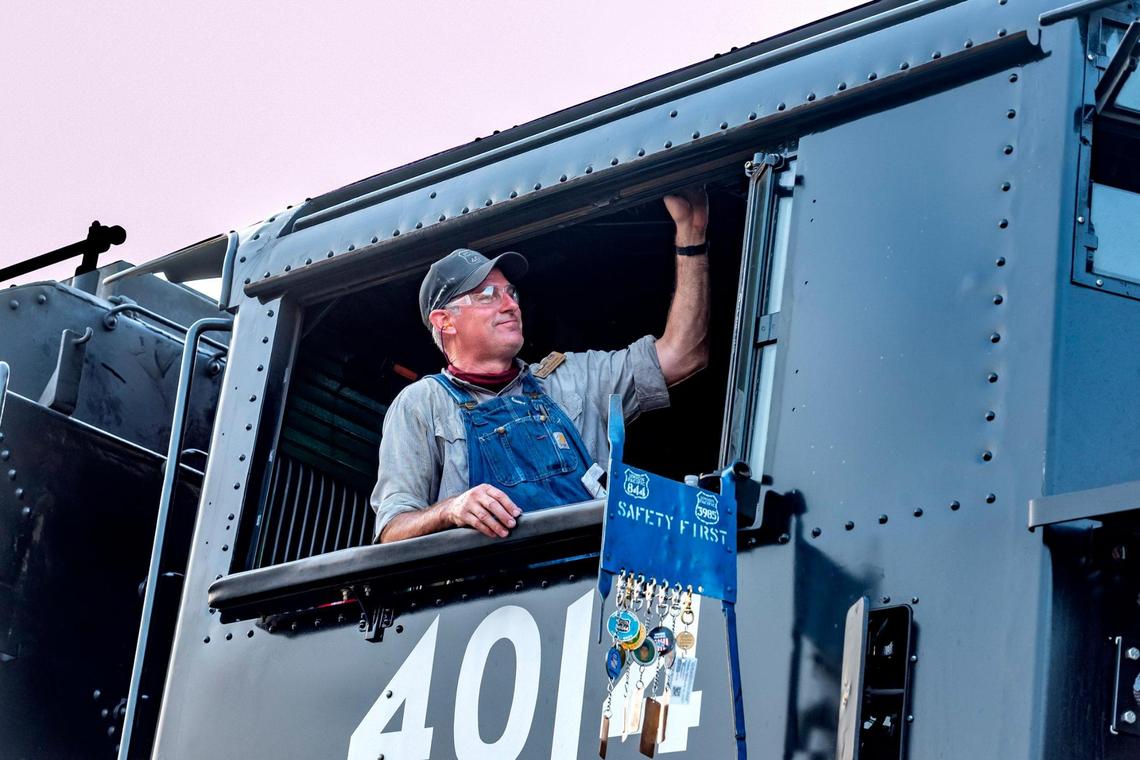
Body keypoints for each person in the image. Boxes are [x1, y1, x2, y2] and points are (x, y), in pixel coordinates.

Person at [372, 189, 710, 543]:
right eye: (487, 295)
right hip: (494, 592)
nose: (510, 305)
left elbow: (684, 354)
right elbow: (392, 529)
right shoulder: (422, 403)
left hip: (590, 583)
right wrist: (451, 509)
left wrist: (691, 232)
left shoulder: (574, 379)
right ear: (445, 322)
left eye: (511, 293)